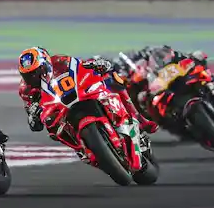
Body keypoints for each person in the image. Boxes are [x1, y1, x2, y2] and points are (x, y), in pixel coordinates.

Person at [17, 46, 159, 139]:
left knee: (112, 77)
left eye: (37, 71)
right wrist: (33, 114)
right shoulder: (26, 89)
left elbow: (79, 65)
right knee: (53, 131)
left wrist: (96, 64)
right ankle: (82, 148)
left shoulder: (59, 60)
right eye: (29, 75)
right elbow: (35, 125)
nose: (34, 77)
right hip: (58, 110)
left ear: (46, 63)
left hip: (76, 92)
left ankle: (139, 119)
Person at [114, 44, 214, 112]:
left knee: (197, 60)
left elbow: (165, 54)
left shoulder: (148, 56)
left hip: (166, 77)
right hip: (153, 98)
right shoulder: (127, 80)